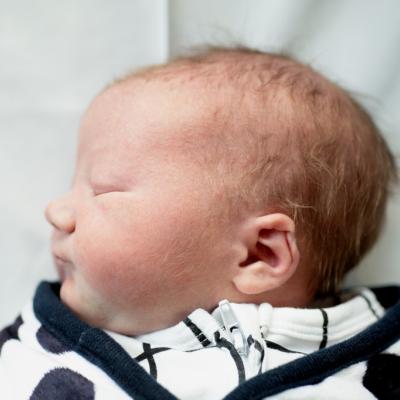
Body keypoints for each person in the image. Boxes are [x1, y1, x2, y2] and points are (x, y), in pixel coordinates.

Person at [0, 47, 399, 399]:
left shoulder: (380, 359)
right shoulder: (30, 358)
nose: (57, 211)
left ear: (258, 254)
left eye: (104, 190)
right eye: (74, 186)